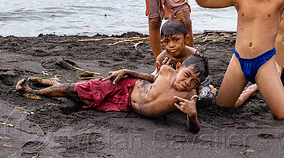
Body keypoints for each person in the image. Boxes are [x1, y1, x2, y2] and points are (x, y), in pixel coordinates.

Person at [16, 54, 209, 133]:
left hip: (126, 106)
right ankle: (33, 90)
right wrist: (126, 71)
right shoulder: (167, 71)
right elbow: (150, 78)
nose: (187, 83)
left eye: (194, 82)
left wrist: (192, 116)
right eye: (187, 75)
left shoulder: (188, 95)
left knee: (80, 99)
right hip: (124, 86)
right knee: (75, 91)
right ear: (178, 67)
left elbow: (193, 130)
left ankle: (52, 83)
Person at [155, 19, 217, 107]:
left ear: (186, 39)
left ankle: (212, 90)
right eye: (166, 42)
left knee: (204, 99)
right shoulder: (162, 58)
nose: (171, 45)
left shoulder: (194, 54)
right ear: (162, 43)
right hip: (178, 83)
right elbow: (158, 80)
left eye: (176, 40)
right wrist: (162, 70)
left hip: (195, 82)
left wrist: (198, 87)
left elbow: (201, 75)